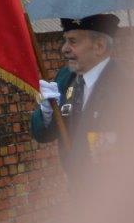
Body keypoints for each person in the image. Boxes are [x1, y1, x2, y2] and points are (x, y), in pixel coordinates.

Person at [31, 13, 125, 183]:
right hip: (78, 189)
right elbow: (44, 134)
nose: (64, 48)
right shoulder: (65, 77)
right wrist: (47, 112)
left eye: (73, 41)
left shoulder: (123, 86)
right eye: (65, 40)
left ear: (99, 46)